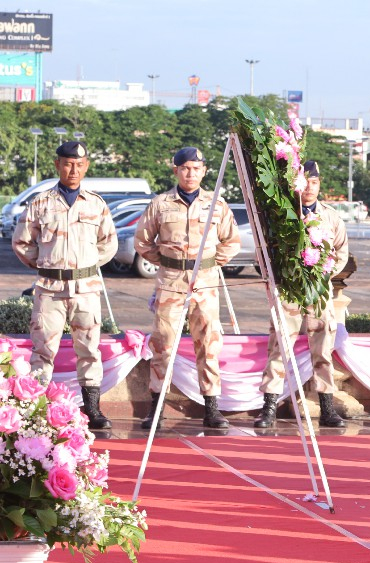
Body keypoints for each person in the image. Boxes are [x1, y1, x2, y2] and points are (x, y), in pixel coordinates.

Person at [12, 141, 117, 430]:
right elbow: (22, 242)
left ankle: (92, 409)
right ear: (57, 165)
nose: (73, 170)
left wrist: (86, 265)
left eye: (79, 165)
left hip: (86, 289)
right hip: (50, 289)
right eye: (68, 164)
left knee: (89, 349)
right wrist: (47, 264)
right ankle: (34, 409)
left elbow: (109, 243)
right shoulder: (40, 203)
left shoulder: (96, 203)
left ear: (86, 167)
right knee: (43, 350)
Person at [134, 147, 240, 430]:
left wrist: (208, 263)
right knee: (163, 344)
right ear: (176, 171)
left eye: (196, 169)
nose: (190, 174)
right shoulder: (161, 204)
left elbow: (231, 241)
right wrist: (169, 262)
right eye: (185, 168)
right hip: (171, 282)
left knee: (208, 344)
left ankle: (212, 408)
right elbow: (142, 241)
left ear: (203, 172)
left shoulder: (217, 204)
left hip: (205, 283)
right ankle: (156, 409)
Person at [253, 161, 349, 429]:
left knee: (323, 349)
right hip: (289, 292)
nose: (310, 188)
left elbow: (341, 252)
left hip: (318, 292)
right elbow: (262, 254)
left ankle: (327, 408)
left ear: (320, 184)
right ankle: (269, 407)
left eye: (314, 182)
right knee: (279, 348)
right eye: (305, 183)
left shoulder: (331, 216)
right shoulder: (281, 214)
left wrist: (323, 273)